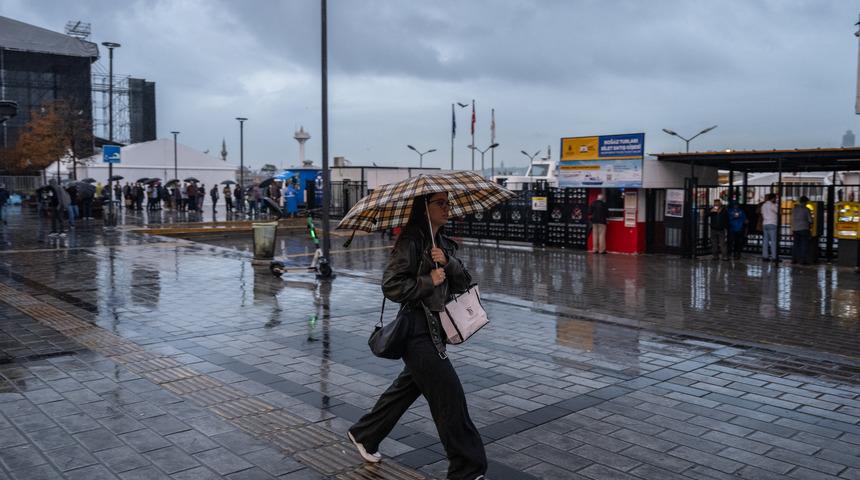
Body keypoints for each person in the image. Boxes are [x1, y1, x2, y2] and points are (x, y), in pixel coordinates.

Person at [348, 192, 487, 480]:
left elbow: (464, 282)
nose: (447, 208)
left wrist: (447, 263)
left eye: (448, 203)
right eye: (440, 203)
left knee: (405, 390)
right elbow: (391, 285)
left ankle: (365, 434)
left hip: (435, 329)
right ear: (424, 208)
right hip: (417, 331)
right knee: (450, 397)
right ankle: (466, 469)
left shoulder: (442, 241)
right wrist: (428, 280)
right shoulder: (410, 241)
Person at [791, 196, 813, 265]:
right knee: (804, 245)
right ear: (805, 202)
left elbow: (792, 219)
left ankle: (794, 259)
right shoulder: (806, 209)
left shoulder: (794, 209)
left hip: (795, 229)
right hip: (804, 229)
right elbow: (810, 220)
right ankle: (802, 261)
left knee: (796, 244)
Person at [760, 193, 778, 262]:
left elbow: (762, 213)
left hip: (765, 224)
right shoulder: (772, 205)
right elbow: (778, 211)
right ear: (773, 198)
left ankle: (765, 256)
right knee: (773, 241)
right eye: (775, 198)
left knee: (765, 241)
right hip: (772, 223)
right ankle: (774, 257)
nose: (776, 199)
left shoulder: (763, 205)